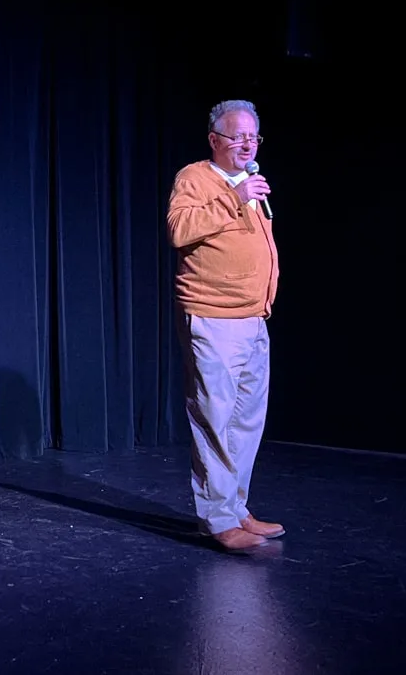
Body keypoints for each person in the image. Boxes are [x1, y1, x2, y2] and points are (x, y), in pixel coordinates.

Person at [166, 98, 282, 551]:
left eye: (253, 136)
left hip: (253, 318)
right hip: (213, 317)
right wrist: (233, 199)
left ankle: (236, 507)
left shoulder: (250, 182)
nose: (248, 143)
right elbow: (179, 229)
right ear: (215, 140)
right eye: (238, 136)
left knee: (245, 422)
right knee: (215, 420)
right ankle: (216, 519)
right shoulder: (195, 178)